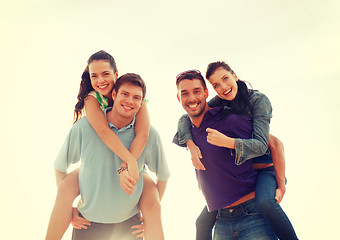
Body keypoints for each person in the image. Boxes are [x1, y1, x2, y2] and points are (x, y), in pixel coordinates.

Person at [46, 51, 167, 240]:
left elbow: (143, 134)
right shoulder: (92, 100)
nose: (100, 80)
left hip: (131, 195)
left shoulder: (136, 98)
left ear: (116, 74)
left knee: (150, 190)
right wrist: (69, 210)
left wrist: (129, 165)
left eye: (105, 74)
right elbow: (103, 132)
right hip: (98, 177)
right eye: (94, 75)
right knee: (65, 187)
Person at [174, 63, 298, 240]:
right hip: (225, 213)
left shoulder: (255, 102)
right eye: (216, 84)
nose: (223, 87)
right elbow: (186, 117)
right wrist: (190, 144)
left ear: (235, 76)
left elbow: (271, 144)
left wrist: (281, 184)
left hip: (266, 171)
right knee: (201, 222)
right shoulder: (218, 105)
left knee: (266, 202)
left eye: (225, 79)